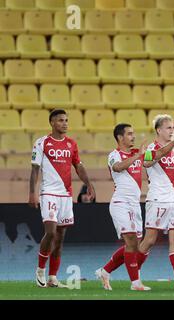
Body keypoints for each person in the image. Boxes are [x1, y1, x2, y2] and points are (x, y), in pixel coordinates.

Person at [95, 123, 174, 291]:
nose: (133, 137)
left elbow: (160, 153)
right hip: (120, 203)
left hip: (134, 205)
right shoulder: (114, 154)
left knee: (133, 245)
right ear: (120, 137)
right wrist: (138, 155)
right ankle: (135, 283)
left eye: (133, 134)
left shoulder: (138, 153)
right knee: (132, 241)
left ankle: (105, 271)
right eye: (129, 134)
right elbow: (118, 167)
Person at [29, 109, 96, 288]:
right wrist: (32, 193)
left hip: (66, 195)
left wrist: (88, 183)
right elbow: (35, 169)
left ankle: (52, 277)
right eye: (60, 120)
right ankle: (40, 271)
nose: (65, 123)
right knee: (50, 232)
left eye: (66, 120)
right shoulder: (42, 142)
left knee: (59, 239)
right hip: (49, 193)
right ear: (52, 122)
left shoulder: (71, 144)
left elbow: (78, 166)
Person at [138, 114, 174, 289]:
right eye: (168, 128)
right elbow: (147, 163)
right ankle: (135, 275)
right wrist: (169, 146)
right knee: (149, 240)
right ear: (159, 130)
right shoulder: (151, 147)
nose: (172, 130)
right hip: (157, 199)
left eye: (173, 127)